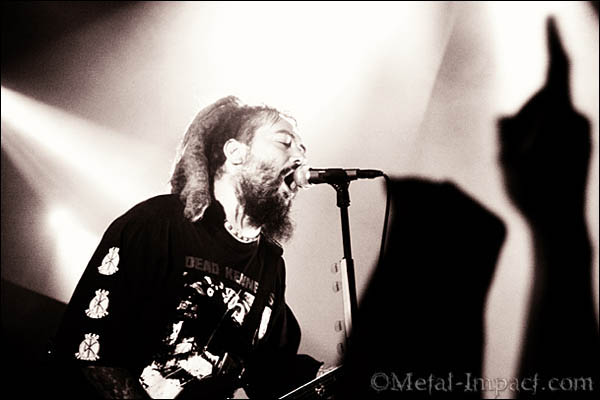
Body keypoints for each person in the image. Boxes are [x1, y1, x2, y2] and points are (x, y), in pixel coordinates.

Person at [51, 96, 322, 398]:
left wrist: (324, 376)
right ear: (235, 153)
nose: (300, 158)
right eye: (284, 143)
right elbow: (89, 351)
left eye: (302, 150)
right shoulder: (157, 223)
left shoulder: (270, 263)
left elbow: (269, 371)